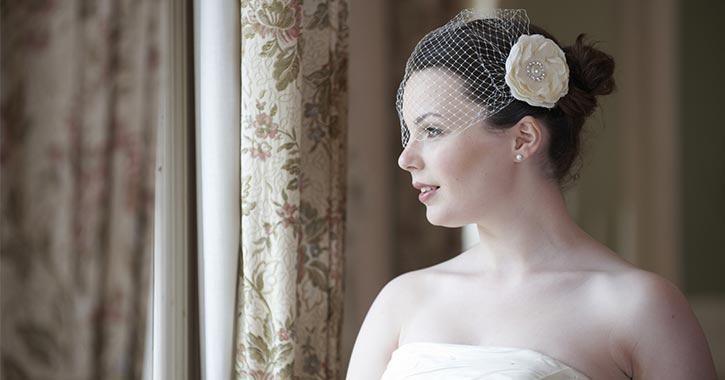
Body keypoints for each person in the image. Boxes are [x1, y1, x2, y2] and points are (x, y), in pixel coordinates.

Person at [346, 9, 717, 380]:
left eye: (432, 130)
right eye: (410, 133)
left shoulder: (641, 308)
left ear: (523, 138)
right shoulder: (402, 301)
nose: (406, 158)